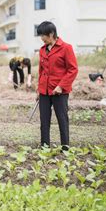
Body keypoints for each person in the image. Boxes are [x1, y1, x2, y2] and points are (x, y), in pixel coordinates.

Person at [36, 21, 78, 150]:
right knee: (44, 121)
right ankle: (44, 147)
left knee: (62, 119)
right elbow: (41, 71)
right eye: (40, 36)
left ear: (51, 34)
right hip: (44, 91)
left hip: (59, 91)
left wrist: (61, 86)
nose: (41, 38)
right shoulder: (42, 50)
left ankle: (65, 147)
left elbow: (73, 69)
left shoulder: (66, 48)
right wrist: (39, 89)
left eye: (43, 35)